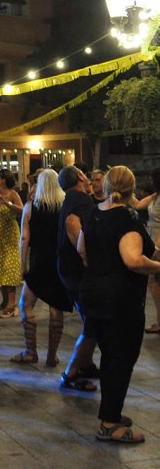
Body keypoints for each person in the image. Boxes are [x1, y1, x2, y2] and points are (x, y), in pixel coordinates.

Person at [77, 166, 160, 444]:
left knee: (110, 356)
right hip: (120, 301)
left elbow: (81, 250)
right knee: (121, 360)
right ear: (132, 188)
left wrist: (100, 269)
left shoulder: (92, 214)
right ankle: (110, 424)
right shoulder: (126, 219)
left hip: (93, 295)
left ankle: (110, 413)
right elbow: (133, 260)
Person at [10, 169, 71, 366]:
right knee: (57, 307)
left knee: (26, 304)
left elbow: (24, 238)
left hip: (38, 263)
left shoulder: (31, 207)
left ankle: (30, 351)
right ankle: (52, 356)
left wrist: (22, 265)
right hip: (59, 263)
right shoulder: (65, 207)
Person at [58, 165, 100, 392]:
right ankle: (71, 373)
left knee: (90, 320)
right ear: (80, 178)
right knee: (93, 323)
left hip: (67, 270)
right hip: (77, 272)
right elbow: (71, 224)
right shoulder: (81, 199)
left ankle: (86, 364)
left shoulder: (73, 197)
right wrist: (85, 256)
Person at [0, 168, 23, 318]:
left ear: (4, 180)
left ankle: (12, 304)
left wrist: (7, 203)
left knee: (9, 267)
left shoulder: (13, 194)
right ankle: (5, 301)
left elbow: (22, 210)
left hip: (10, 236)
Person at [130, 166, 160, 335]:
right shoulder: (155, 196)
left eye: (152, 178)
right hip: (153, 242)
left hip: (158, 244)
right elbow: (138, 204)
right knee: (155, 284)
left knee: (154, 283)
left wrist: (157, 247)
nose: (149, 181)